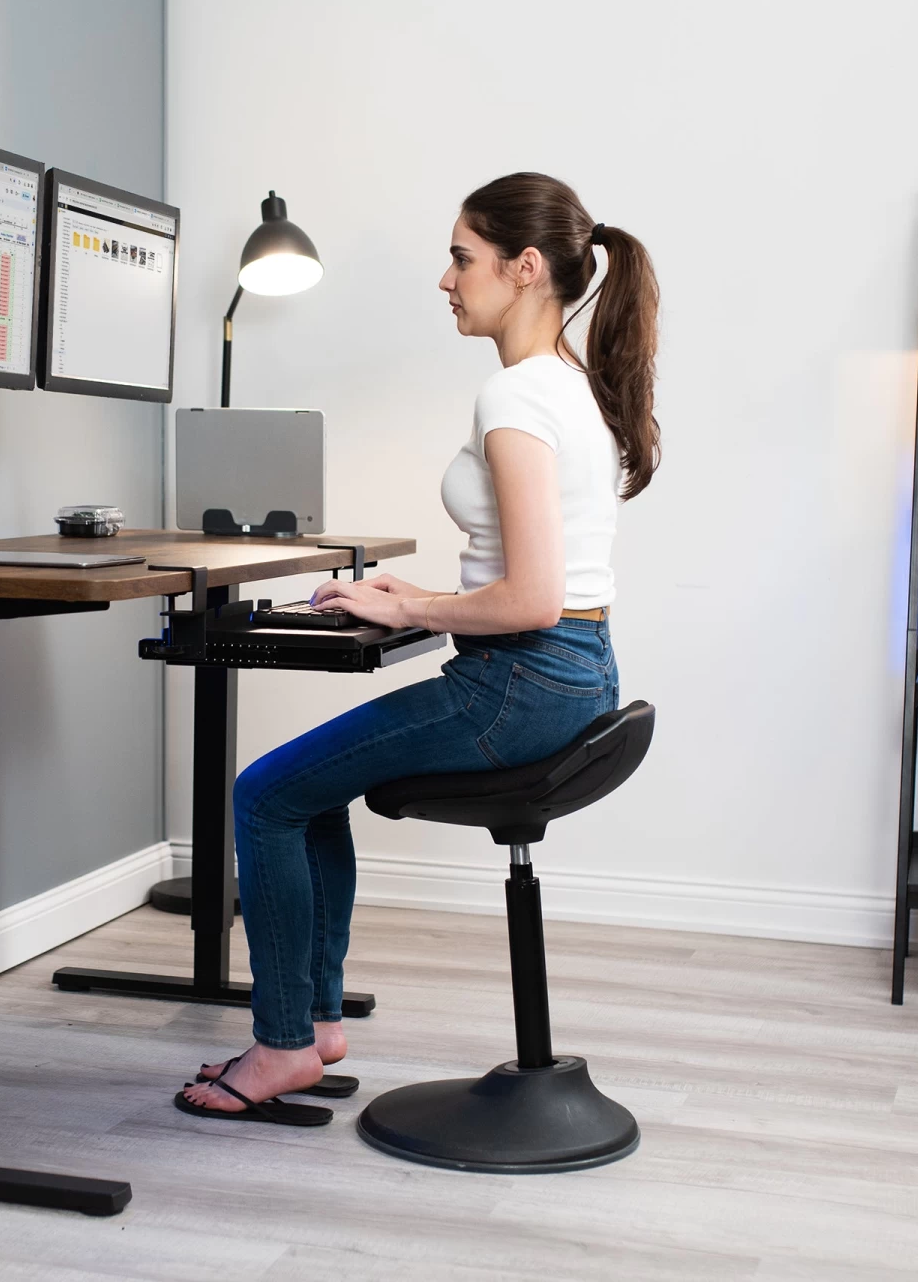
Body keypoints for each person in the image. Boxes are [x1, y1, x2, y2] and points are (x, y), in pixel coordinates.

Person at [176, 171, 661, 1127]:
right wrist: (420, 599)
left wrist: (416, 611)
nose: (446, 280)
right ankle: (310, 1028)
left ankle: (282, 1043)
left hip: (519, 680)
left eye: (462, 257)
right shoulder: (573, 384)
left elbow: (529, 598)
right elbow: (538, 588)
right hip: (573, 671)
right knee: (306, 792)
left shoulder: (515, 395)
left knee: (263, 795)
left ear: (525, 269)